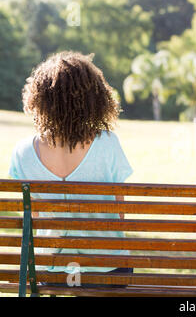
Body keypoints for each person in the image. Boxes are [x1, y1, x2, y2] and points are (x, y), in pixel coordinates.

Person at [9, 51, 133, 287]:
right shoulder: (108, 143)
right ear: (94, 99)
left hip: (51, 272)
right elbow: (119, 215)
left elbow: (33, 218)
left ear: (40, 100)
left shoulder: (22, 152)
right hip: (107, 271)